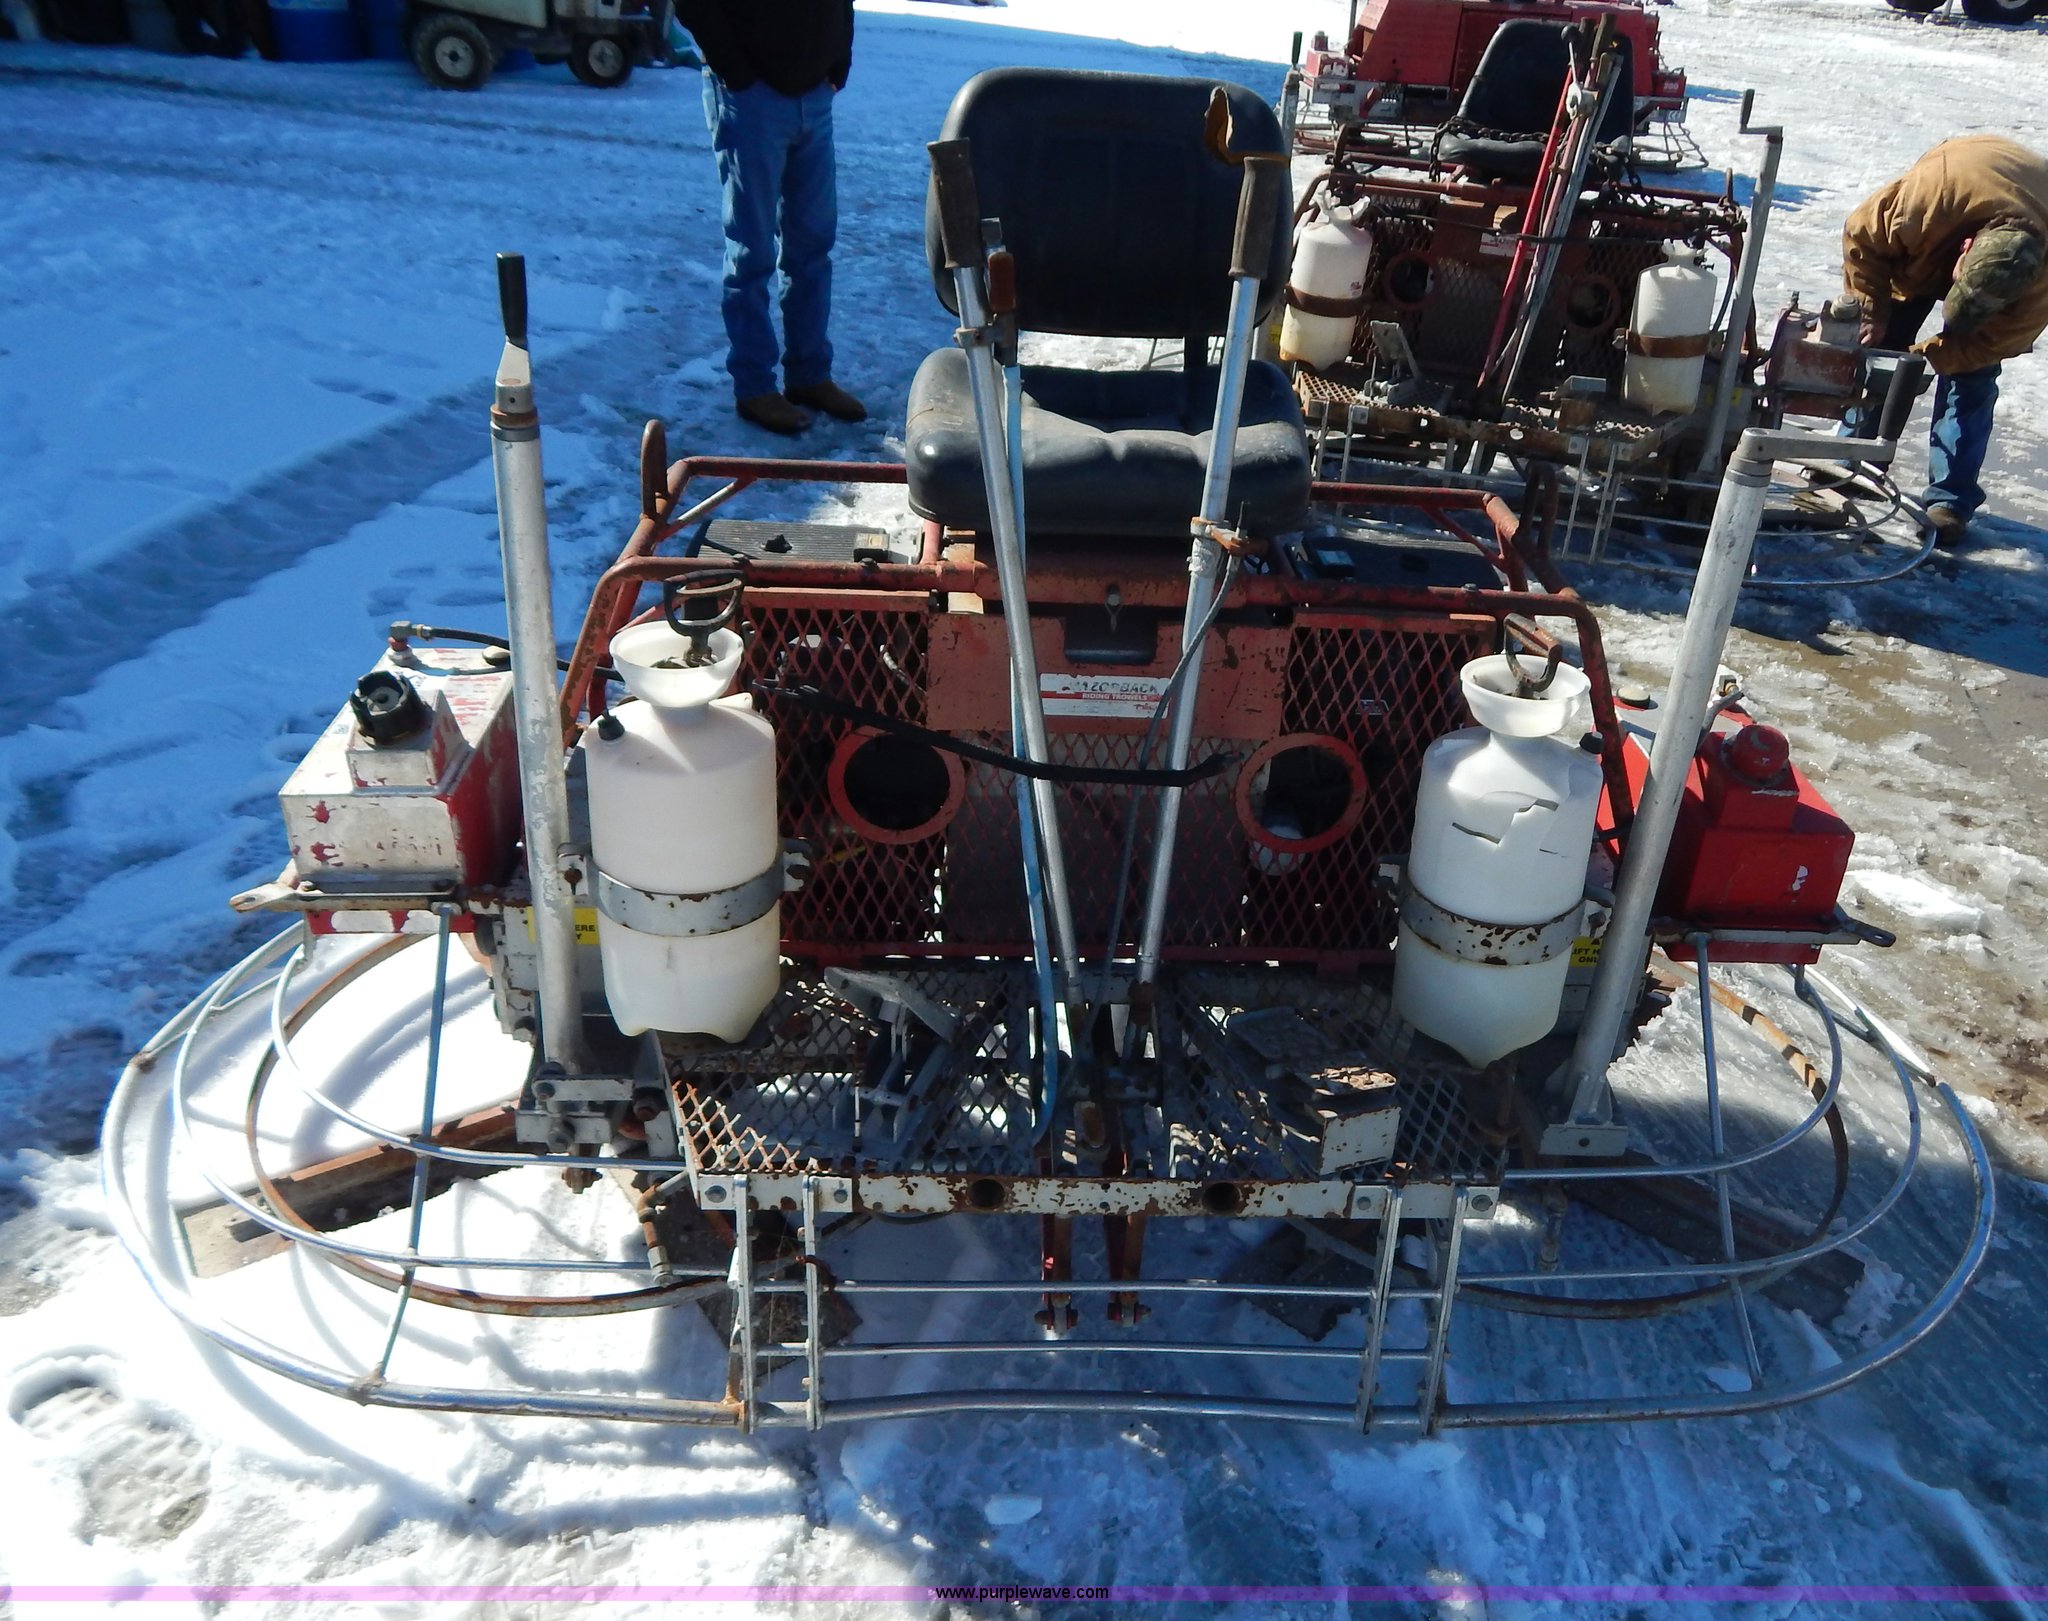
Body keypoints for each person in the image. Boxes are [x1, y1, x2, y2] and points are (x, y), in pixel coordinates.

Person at [1839, 136, 2048, 540]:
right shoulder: (1923, 204)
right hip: (1952, 198)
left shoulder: (2038, 292)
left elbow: (1984, 346)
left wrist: (1924, 360)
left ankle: (1950, 501)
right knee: (1880, 349)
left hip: (2023, 205)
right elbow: (1862, 239)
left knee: (1973, 377)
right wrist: (1871, 312)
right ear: (1965, 248)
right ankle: (1851, 460)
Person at [677, 0, 866, 437]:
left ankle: (810, 375)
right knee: (752, 250)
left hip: (814, 95)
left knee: (812, 245)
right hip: (752, 98)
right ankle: (755, 386)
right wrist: (737, 73)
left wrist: (838, 62)